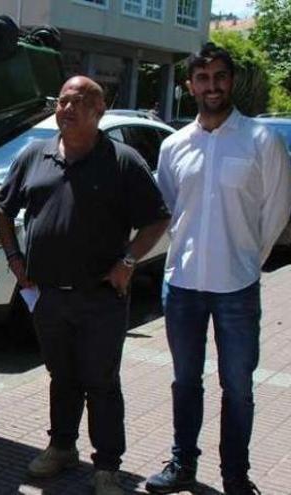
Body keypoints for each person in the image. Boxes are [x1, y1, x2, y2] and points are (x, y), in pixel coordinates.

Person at [0, 76, 169, 495]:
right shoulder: (34, 155)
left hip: (100, 298)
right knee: (62, 376)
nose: (68, 108)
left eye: (80, 102)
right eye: (63, 100)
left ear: (99, 111)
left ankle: (107, 467)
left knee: (101, 381)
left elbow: (157, 218)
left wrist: (128, 261)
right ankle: (61, 447)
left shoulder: (122, 160)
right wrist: (15, 259)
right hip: (47, 296)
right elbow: (3, 209)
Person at [144, 43, 291, 495]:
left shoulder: (261, 140)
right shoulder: (173, 145)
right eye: (203, 78)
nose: (213, 86)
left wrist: (249, 259)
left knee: (238, 388)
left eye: (220, 76)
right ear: (191, 86)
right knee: (185, 381)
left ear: (232, 80)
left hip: (237, 288)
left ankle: (235, 475)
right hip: (183, 286)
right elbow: (166, 209)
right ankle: (182, 463)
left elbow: (277, 210)